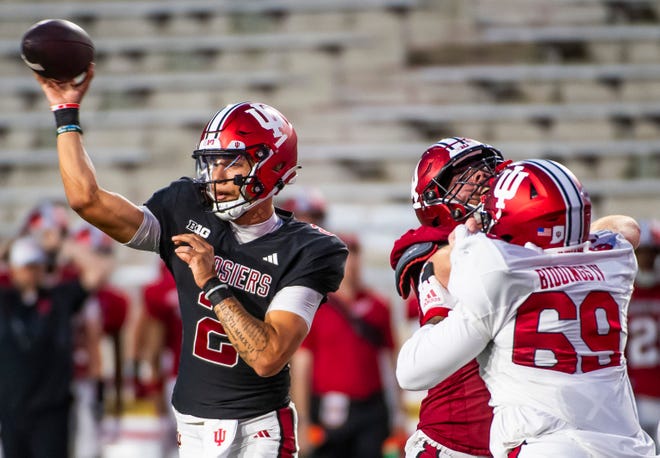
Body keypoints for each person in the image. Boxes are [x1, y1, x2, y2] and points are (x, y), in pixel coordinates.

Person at [34, 65, 348, 457]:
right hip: (191, 426)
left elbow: (268, 358)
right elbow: (87, 200)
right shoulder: (186, 206)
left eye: (229, 163)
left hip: (259, 429)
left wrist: (213, 282)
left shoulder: (310, 249)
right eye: (211, 162)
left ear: (270, 168)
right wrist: (66, 114)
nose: (214, 175)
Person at [396, 159, 657, 457]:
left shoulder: (496, 268)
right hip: (628, 445)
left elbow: (411, 374)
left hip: (544, 444)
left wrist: (436, 308)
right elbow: (625, 228)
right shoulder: (616, 259)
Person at [389, 137, 504, 457]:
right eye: (465, 171)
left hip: (513, 433)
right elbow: (458, 261)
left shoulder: (510, 245)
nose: (482, 176)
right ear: (433, 194)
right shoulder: (433, 251)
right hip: (455, 437)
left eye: (484, 169)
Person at [291, 233, 402, 458]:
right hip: (328, 409)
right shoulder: (317, 306)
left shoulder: (379, 305)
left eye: (354, 255)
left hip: (372, 408)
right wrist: (302, 421)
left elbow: (393, 362)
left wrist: (398, 415)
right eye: (344, 255)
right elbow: (302, 365)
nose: (350, 263)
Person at [0, 235, 112, 458]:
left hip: (52, 409)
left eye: (35, 266)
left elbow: (98, 272)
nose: (30, 272)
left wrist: (62, 244)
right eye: (25, 267)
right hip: (12, 409)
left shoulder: (59, 297)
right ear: (12, 268)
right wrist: (9, 246)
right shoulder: (5, 300)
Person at [626, 219, 660, 450]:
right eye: (641, 254)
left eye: (651, 254)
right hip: (630, 392)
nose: (646, 261)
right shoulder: (623, 293)